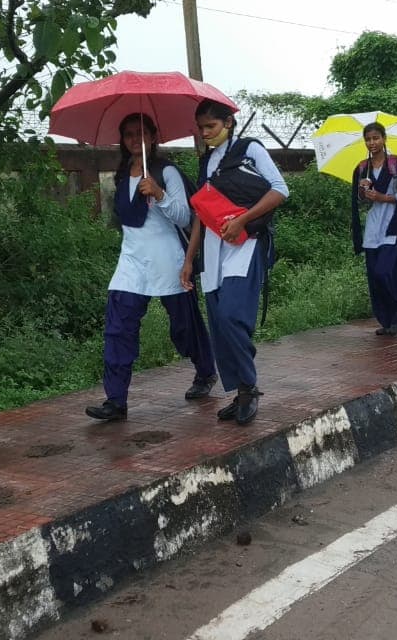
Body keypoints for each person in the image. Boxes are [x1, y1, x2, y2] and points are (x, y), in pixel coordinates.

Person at [85, 113, 217, 422]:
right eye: (129, 134)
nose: (135, 139)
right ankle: (116, 400)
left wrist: (159, 194)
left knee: (185, 326)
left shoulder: (166, 171)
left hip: (168, 260)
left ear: (153, 138)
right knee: (118, 329)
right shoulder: (121, 174)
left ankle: (205, 370)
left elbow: (186, 217)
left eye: (141, 133)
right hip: (131, 263)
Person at [180, 100, 288, 425]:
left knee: (230, 316)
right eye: (200, 128)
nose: (204, 133)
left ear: (228, 122)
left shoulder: (249, 149)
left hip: (246, 244)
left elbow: (281, 190)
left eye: (210, 127)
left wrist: (243, 220)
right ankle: (240, 390)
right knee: (218, 324)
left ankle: (249, 387)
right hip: (213, 250)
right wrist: (189, 260)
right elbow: (200, 213)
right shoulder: (206, 163)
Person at [351, 122, 397, 336]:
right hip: (373, 228)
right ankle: (387, 320)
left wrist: (386, 197)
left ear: (384, 139)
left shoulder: (396, 164)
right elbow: (360, 201)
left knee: (386, 272)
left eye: (376, 138)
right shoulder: (362, 168)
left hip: (395, 225)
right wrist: (364, 192)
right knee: (374, 276)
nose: (372, 143)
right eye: (368, 139)